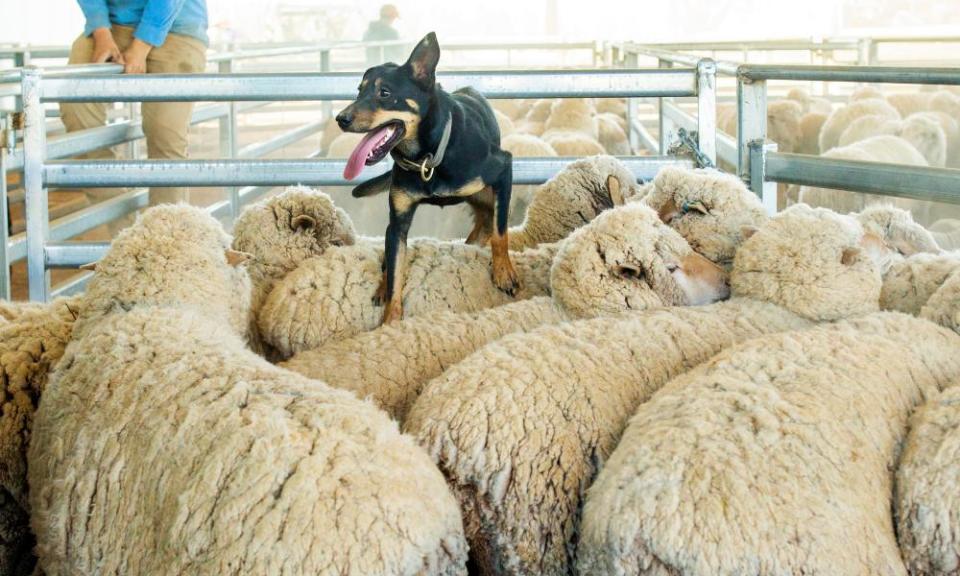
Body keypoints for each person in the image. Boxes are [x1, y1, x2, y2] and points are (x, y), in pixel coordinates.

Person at [62, 0, 209, 213]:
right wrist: (101, 32)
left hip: (177, 27)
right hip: (112, 25)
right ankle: (123, 228)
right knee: (77, 119)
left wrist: (141, 45)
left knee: (165, 133)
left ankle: (165, 237)